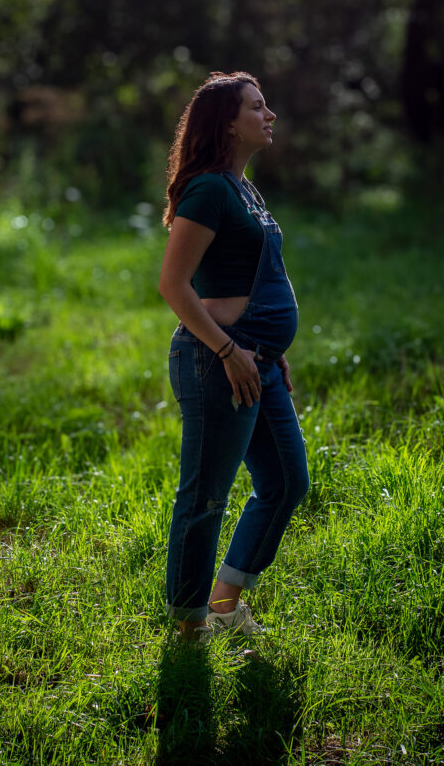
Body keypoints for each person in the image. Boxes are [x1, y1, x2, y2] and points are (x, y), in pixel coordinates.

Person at [158, 71, 310, 641]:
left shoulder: (244, 188)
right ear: (226, 122)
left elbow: (256, 273)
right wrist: (228, 349)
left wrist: (269, 349)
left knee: (286, 482)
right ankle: (188, 627)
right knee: (204, 496)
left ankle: (225, 600)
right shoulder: (208, 189)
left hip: (257, 360)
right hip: (217, 361)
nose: (270, 116)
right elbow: (174, 286)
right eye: (257, 107)